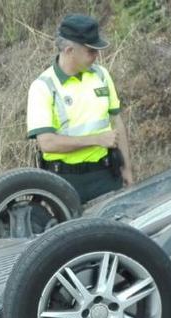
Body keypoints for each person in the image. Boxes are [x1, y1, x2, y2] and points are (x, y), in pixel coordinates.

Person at [26, 13, 133, 203]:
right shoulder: (43, 87)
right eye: (90, 51)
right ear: (69, 50)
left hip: (107, 175)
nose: (96, 56)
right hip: (65, 182)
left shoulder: (101, 75)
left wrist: (127, 169)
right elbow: (47, 143)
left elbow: (117, 122)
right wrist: (96, 140)